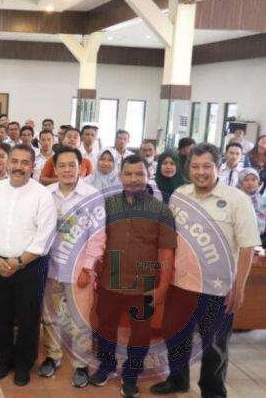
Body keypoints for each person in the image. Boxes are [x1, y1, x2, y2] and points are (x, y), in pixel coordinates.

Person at [150, 143, 260, 397]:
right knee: (176, 335)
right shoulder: (179, 195)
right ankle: (177, 379)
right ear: (188, 168)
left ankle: (212, 391)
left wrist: (239, 287)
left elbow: (247, 247)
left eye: (207, 166)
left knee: (214, 346)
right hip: (181, 284)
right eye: (195, 166)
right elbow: (170, 238)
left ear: (218, 166)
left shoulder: (237, 200)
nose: (200, 172)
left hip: (218, 289)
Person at [90, 155, 176, 398]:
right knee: (105, 327)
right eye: (128, 174)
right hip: (109, 281)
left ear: (149, 176)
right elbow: (96, 240)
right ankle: (106, 365)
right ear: (120, 176)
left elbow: (166, 251)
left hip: (144, 284)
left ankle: (131, 373)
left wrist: (163, 287)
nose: (133, 179)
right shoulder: (108, 205)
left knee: (140, 333)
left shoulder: (161, 209)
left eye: (139, 174)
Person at [0, 144, 57, 386]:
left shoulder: (42, 195)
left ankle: (24, 364)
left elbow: (44, 236)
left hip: (30, 267)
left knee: (28, 318)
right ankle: (4, 360)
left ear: (32, 166)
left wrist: (19, 261)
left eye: (25, 162)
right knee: (1, 316)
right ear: (7, 163)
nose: (18, 167)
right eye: (14, 161)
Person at [39, 146, 104, 388]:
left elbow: (98, 236)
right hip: (50, 267)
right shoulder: (46, 194)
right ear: (55, 169)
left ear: (81, 167)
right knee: (50, 316)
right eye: (62, 165)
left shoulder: (92, 196)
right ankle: (52, 356)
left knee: (80, 319)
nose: (67, 170)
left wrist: (88, 268)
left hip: (79, 270)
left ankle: (80, 364)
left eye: (72, 165)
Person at [238, 168, 266, 246]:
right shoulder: (236, 200)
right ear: (240, 183)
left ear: (258, 182)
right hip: (242, 240)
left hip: (262, 240)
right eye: (246, 180)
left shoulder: (262, 199)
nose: (250, 183)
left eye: (254, 180)